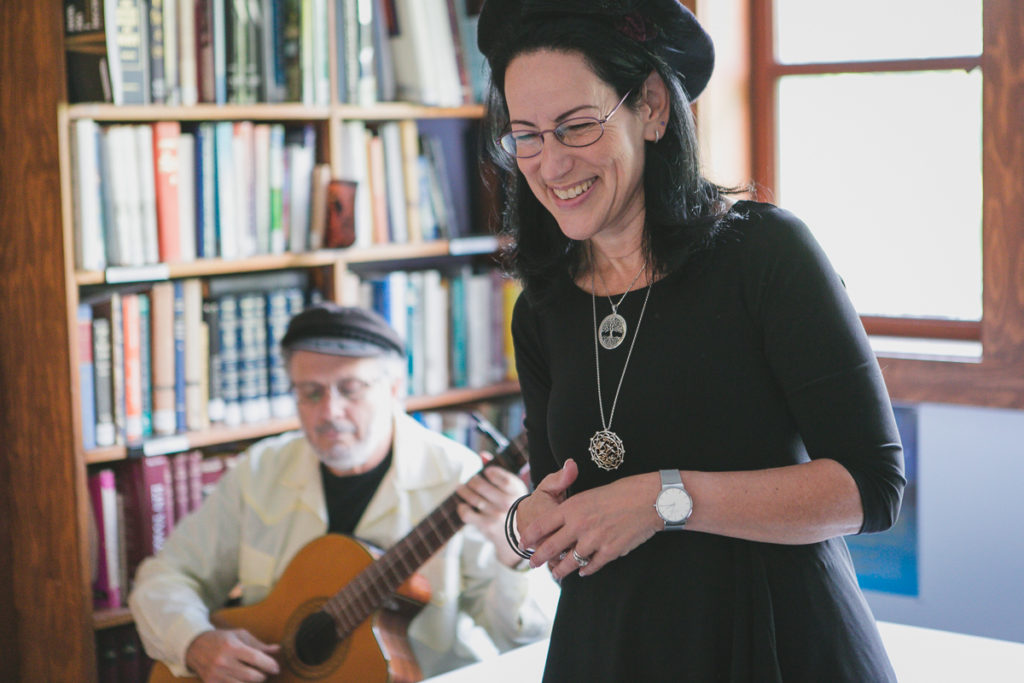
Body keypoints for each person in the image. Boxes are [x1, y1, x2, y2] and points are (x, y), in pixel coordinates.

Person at [476, 1, 906, 681]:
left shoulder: (764, 253)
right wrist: (530, 521)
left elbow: (872, 488)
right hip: (612, 648)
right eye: (524, 134)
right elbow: (564, 508)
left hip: (773, 639)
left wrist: (663, 499)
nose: (550, 164)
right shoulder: (542, 308)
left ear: (651, 106)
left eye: (576, 126)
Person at [128, 303, 557, 681]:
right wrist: (195, 643)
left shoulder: (460, 478)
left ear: (393, 390)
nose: (329, 412)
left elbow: (528, 640)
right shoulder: (260, 470)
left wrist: (511, 550)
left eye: (350, 389)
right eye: (310, 393)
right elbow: (163, 577)